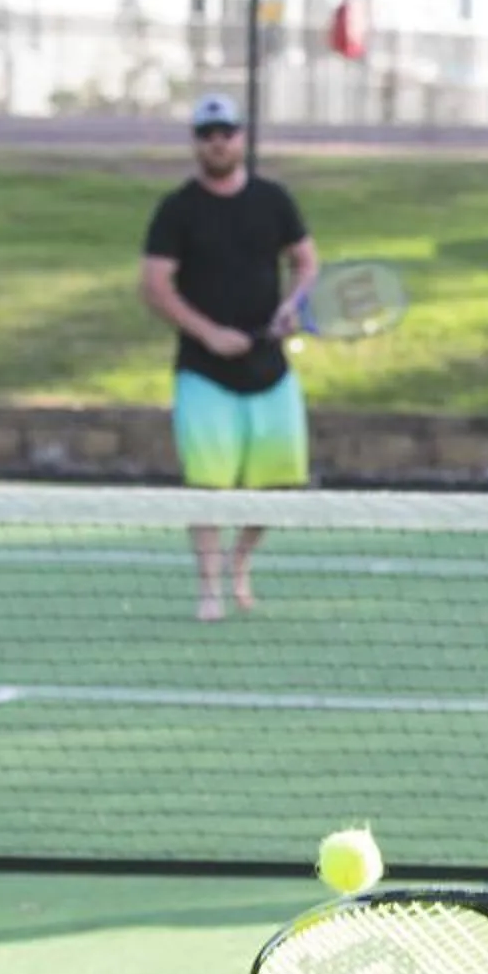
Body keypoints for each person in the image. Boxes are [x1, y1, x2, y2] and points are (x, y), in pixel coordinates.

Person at [141, 92, 320, 622]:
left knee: (278, 489)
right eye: (207, 135)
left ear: (242, 137)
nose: (218, 143)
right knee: (206, 488)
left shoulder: (273, 200)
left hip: (270, 370)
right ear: (197, 143)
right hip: (204, 374)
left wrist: (292, 306)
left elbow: (306, 262)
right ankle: (209, 587)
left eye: (226, 133)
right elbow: (154, 285)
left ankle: (239, 564)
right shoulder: (177, 209)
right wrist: (209, 334)